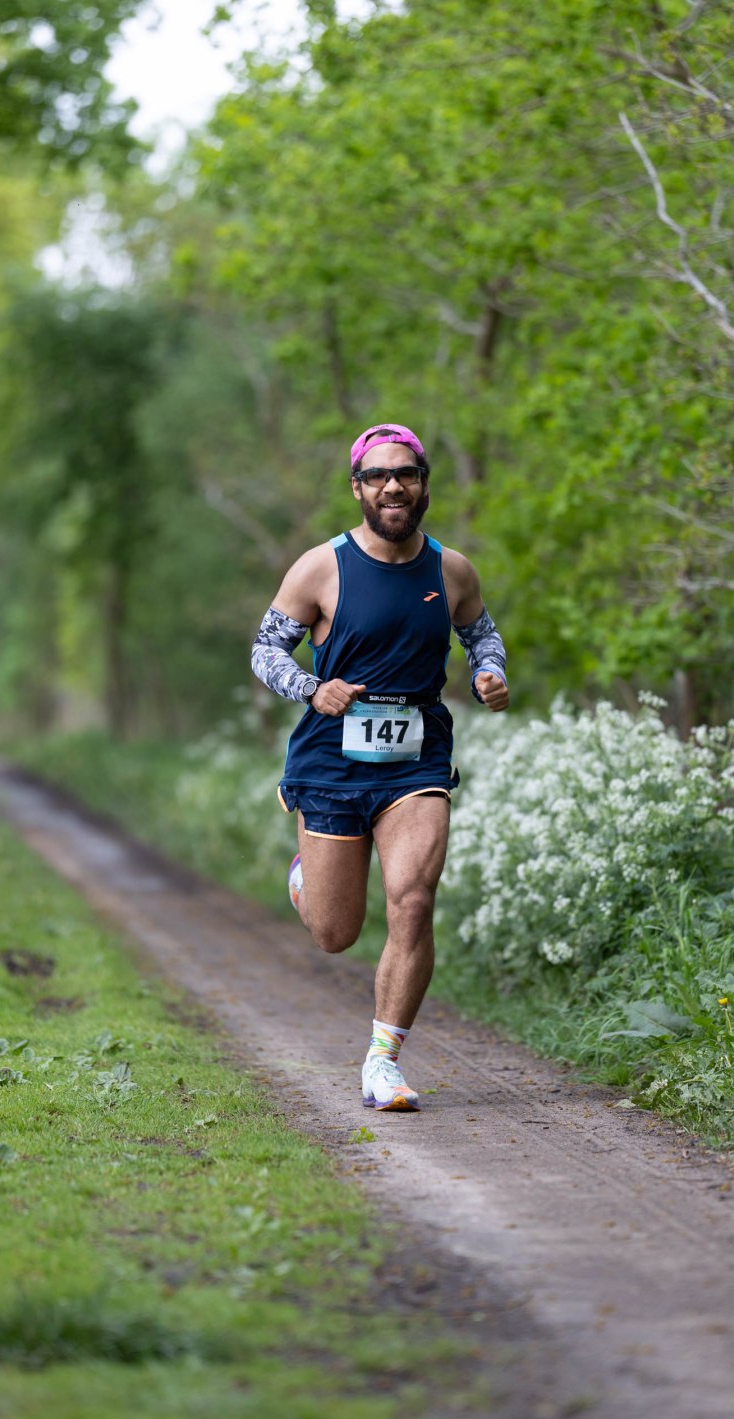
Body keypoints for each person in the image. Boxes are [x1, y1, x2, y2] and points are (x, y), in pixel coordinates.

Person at [251, 422, 509, 1111]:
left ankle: (382, 1061)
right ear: (359, 489)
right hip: (332, 759)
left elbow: (480, 630)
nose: (393, 486)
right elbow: (264, 651)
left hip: (417, 757)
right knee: (336, 934)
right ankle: (309, 880)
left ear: (424, 484)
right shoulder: (320, 567)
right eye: (378, 476)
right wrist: (311, 687)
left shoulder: (451, 570)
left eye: (407, 474)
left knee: (414, 900)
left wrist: (489, 670)